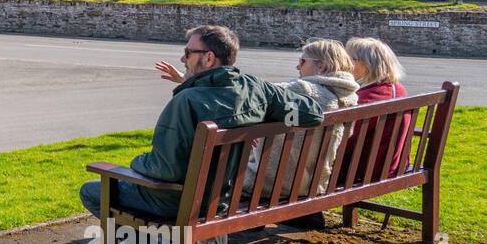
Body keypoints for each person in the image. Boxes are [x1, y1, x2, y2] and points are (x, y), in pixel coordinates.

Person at [79, 24, 324, 221]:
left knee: (92, 190)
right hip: (226, 196)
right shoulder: (256, 88)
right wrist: (261, 116)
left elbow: (165, 170)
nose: (182, 58)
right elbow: (312, 112)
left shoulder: (187, 101)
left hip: (184, 203)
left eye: (188, 53)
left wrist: (135, 163)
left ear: (208, 58)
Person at [241, 39, 359, 225]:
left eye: (303, 61)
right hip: (314, 183)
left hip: (273, 183)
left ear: (321, 66)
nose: (297, 66)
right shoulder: (349, 96)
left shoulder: (303, 90)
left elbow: (255, 93)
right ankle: (304, 215)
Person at [345, 36, 413, 182]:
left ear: (367, 65)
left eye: (349, 59)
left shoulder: (366, 97)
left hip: (364, 172)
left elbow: (345, 140)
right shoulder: (397, 89)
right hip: (393, 166)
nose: (343, 64)